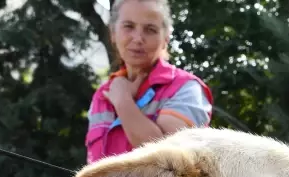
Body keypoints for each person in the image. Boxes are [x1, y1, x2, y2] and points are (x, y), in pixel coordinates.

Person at [83, 0, 212, 167]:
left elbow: (169, 163)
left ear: (166, 39)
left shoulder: (186, 89)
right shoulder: (102, 94)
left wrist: (123, 101)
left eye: (150, 30)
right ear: (113, 33)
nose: (138, 39)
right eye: (128, 26)